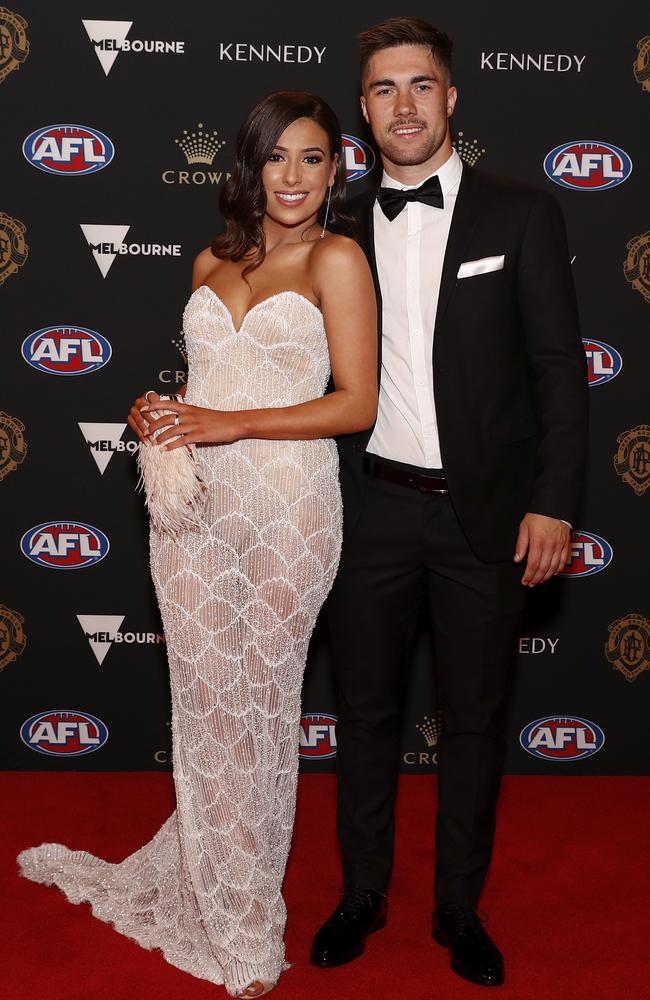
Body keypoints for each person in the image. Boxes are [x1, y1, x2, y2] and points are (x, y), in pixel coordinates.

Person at [18, 91, 377, 999]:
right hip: (193, 507)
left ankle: (248, 922)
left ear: (334, 171)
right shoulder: (208, 259)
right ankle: (214, 891)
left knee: (261, 702)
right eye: (276, 157)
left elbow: (356, 404)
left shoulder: (338, 258)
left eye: (312, 159)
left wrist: (228, 422)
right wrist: (161, 411)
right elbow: (203, 383)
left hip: (291, 506)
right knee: (207, 699)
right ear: (249, 166)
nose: (293, 176)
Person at [311, 17, 589, 988]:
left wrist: (553, 503)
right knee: (364, 714)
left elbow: (559, 374)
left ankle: (457, 908)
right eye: (383, 89)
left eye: (420, 86)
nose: (402, 105)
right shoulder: (333, 222)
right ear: (363, 107)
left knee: (472, 720)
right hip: (366, 512)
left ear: (451, 99)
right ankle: (360, 894)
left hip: (487, 520)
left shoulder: (520, 213)